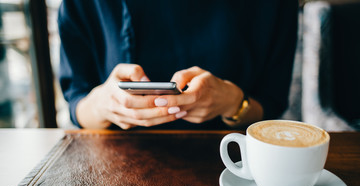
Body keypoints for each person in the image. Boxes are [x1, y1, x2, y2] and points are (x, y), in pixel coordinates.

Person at [58, 0, 298, 130]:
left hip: (233, 162)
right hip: (115, 164)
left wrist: (234, 103)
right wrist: (103, 105)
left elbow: (271, 103)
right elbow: (77, 100)